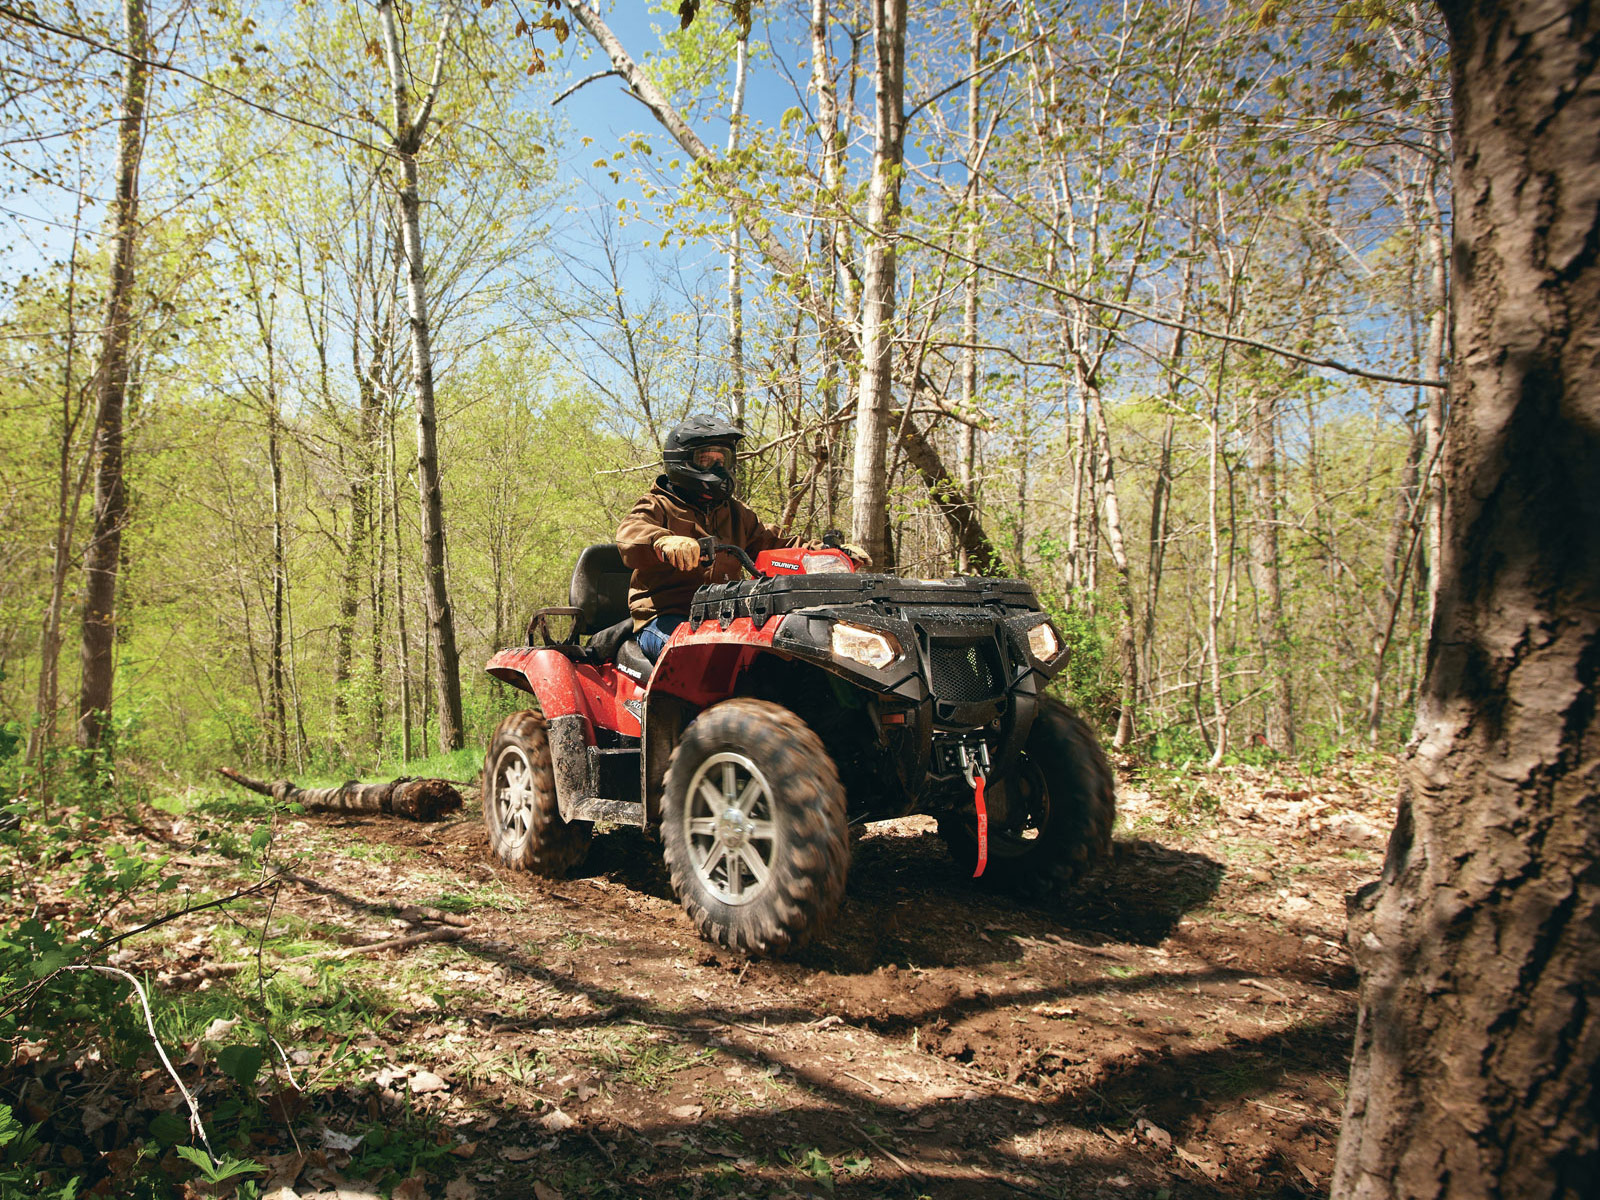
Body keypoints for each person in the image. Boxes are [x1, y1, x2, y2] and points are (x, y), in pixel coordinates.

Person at [616, 415, 868, 660]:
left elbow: (774, 543)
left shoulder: (736, 512)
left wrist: (825, 552)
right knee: (698, 659)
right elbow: (630, 533)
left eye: (721, 460)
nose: (717, 468)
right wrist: (662, 541)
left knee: (778, 658)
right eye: (705, 460)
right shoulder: (658, 504)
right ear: (682, 461)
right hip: (664, 616)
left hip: (723, 615)